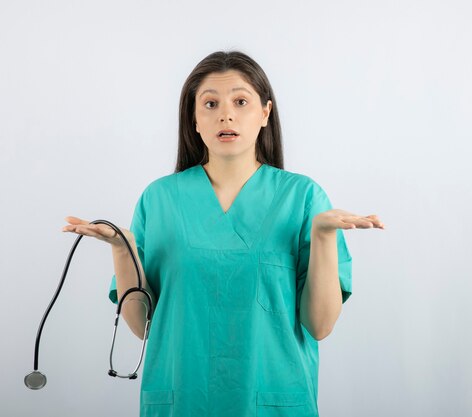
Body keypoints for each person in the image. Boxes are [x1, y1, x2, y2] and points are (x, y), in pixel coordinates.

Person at [62, 50, 384, 417]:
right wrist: (123, 249)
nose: (226, 114)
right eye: (210, 103)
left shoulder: (303, 199)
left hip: (274, 401)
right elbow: (141, 327)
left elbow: (320, 325)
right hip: (184, 401)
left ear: (265, 113)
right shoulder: (160, 199)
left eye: (240, 101)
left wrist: (323, 237)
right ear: (194, 120)